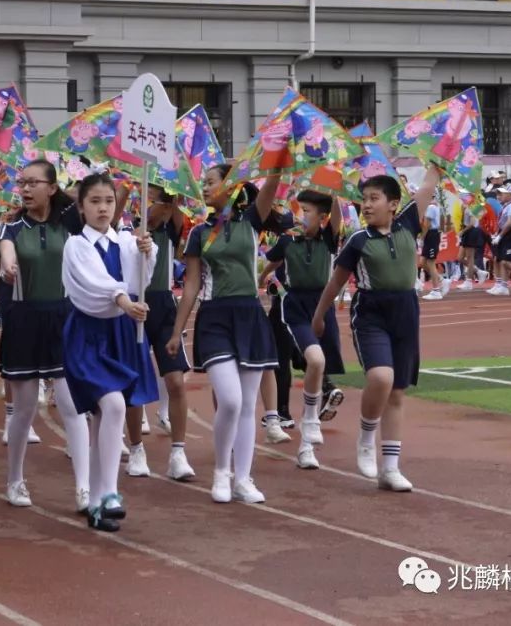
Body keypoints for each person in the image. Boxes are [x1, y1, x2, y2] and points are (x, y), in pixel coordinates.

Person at [312, 168, 441, 492]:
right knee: (380, 378)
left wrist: (440, 157)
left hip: (406, 312)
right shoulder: (358, 240)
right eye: (364, 200)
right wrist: (319, 315)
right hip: (371, 313)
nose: (367, 205)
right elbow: (336, 282)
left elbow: (428, 183)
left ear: (394, 203)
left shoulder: (409, 223)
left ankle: (390, 468)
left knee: (396, 391)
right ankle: (366, 438)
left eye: (374, 199)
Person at [168, 166, 282, 504]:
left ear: (230, 187)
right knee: (230, 400)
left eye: (210, 182)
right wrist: (177, 331)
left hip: (249, 314)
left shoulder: (251, 221)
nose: (204, 187)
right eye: (203, 183)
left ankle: (243, 479)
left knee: (247, 404)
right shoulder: (200, 233)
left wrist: (276, 160)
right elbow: (190, 285)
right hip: (214, 316)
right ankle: (221, 472)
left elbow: (272, 184)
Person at [62, 173, 157, 531]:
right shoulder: (76, 246)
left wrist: (147, 254)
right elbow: (93, 283)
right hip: (88, 335)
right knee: (113, 405)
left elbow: (139, 281)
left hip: (121, 329)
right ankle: (109, 494)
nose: (103, 208)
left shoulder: (127, 243)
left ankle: (100, 501)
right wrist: (122, 300)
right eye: (94, 202)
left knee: (108, 413)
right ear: (81, 206)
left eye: (109, 201)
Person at [0, 160, 91, 512]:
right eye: (22, 182)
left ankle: (84, 487)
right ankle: (15, 479)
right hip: (24, 320)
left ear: (52, 188)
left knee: (72, 405)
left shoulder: (69, 223)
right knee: (24, 408)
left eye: (34, 182)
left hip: (63, 319)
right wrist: (8, 267)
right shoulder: (11, 227)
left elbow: (100, 201)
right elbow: (6, 252)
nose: (25, 188)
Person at [260, 190, 344, 470]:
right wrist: (258, 279)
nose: (301, 214)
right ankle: (310, 423)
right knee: (316, 361)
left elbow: (337, 215)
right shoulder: (288, 239)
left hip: (322, 305)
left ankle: (307, 448)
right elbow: (270, 264)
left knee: (318, 366)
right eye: (300, 209)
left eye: (307, 210)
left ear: (322, 217)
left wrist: (333, 186)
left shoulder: (328, 238)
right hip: (295, 306)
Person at [125, 184, 194, 482]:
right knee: (133, 380)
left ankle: (178, 453)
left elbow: (174, 207)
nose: (157, 202)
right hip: (132, 303)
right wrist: (144, 208)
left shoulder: (170, 226)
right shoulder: (128, 225)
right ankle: (137, 449)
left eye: (159, 196)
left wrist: (170, 196)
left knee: (177, 381)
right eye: (150, 194)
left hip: (164, 305)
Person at [456, 195, 489, 290]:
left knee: (470, 258)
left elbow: (472, 222)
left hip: (472, 231)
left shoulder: (473, 205)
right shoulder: (466, 205)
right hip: (467, 232)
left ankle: (468, 282)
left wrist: (463, 231)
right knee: (460, 257)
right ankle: (479, 272)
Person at [420, 198, 450, 301]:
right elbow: (443, 223)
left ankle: (436, 291)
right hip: (433, 234)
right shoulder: (437, 207)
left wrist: (422, 237)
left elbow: (427, 224)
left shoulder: (431, 207)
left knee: (430, 262)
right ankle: (442, 280)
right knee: (422, 262)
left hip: (431, 234)